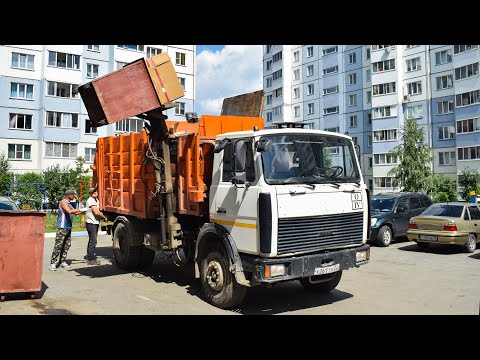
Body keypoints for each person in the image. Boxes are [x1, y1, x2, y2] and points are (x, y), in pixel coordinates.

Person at [49, 189, 83, 271]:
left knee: (66, 245)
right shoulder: (63, 202)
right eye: (73, 195)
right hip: (62, 227)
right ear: (69, 195)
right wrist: (80, 209)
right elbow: (69, 211)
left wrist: (85, 210)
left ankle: (62, 261)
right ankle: (52, 263)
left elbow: (75, 212)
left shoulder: (69, 204)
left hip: (68, 227)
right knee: (58, 245)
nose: (74, 196)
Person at [85, 188, 108, 265]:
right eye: (93, 192)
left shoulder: (96, 200)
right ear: (90, 193)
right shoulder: (91, 200)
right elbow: (96, 212)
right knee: (93, 241)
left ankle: (90, 256)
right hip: (91, 223)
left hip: (94, 222)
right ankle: (90, 259)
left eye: (95, 191)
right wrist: (104, 217)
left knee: (92, 240)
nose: (95, 192)